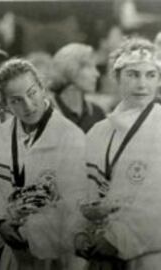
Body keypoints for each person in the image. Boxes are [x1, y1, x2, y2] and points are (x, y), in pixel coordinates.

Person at [0, 59, 86, 270]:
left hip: (56, 255)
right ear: (5, 105)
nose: (28, 106)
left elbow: (76, 205)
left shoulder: (71, 136)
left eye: (32, 93)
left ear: (42, 88)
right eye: (16, 100)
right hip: (12, 253)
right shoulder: (1, 135)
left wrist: (32, 231)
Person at [76, 37, 161, 269]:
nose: (142, 85)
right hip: (100, 252)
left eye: (150, 75)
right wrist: (81, 232)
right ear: (116, 77)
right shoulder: (98, 132)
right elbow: (80, 189)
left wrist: (117, 239)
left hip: (149, 254)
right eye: (133, 75)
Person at [52, 43, 105, 133]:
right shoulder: (47, 113)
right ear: (70, 69)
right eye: (89, 67)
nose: (97, 74)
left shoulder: (97, 114)